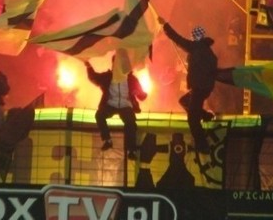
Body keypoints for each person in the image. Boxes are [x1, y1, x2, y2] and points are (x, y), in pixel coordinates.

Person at [159, 18, 218, 153]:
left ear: (194, 37)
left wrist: (165, 25)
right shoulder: (208, 51)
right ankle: (205, 116)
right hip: (204, 87)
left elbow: (177, 39)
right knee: (183, 100)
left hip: (199, 87)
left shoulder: (195, 47)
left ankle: (202, 145)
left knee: (192, 119)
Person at [84, 49, 147, 160]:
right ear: (113, 65)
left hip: (125, 105)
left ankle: (131, 150)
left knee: (131, 123)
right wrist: (88, 65)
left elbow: (142, 96)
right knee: (99, 115)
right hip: (111, 104)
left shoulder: (131, 79)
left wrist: (139, 93)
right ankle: (107, 140)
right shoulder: (108, 77)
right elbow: (93, 77)